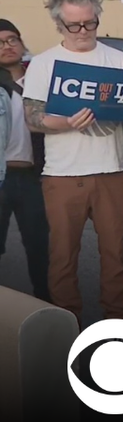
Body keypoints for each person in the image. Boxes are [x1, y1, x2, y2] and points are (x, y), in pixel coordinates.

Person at [22, 0, 123, 328]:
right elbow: (32, 118)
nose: (84, 31)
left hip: (112, 171)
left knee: (116, 257)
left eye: (90, 22)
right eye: (75, 25)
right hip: (62, 175)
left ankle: (117, 329)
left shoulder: (118, 59)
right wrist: (68, 122)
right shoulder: (44, 63)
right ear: (60, 24)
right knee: (62, 259)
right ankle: (67, 330)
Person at [0, 20, 48, 302]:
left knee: (41, 249)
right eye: (0, 42)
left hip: (34, 178)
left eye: (11, 39)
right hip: (2, 178)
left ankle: (48, 311)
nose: (7, 46)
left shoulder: (40, 79)